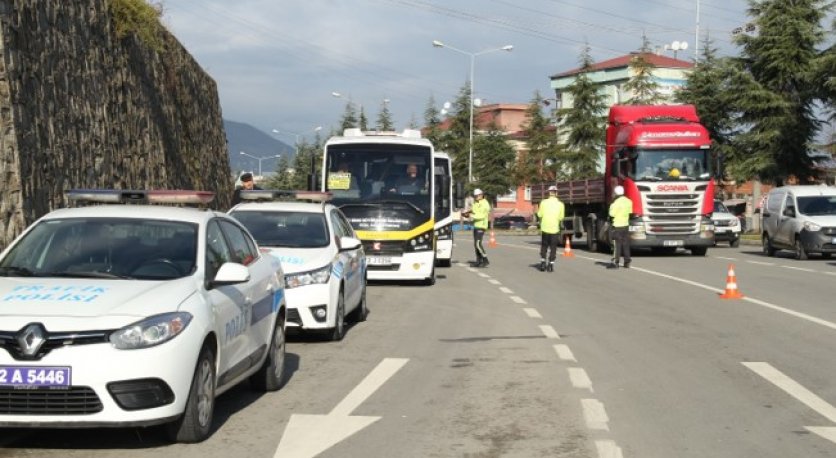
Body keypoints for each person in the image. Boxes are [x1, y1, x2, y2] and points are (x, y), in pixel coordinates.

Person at [536, 185, 565, 272]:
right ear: (556, 193)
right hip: (554, 229)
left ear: (549, 192)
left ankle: (542, 263)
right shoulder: (561, 204)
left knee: (544, 245)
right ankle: (551, 264)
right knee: (553, 247)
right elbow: (561, 217)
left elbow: (539, 215)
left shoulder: (543, 202)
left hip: (545, 228)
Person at [462, 188, 491, 267]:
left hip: (482, 226)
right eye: (475, 196)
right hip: (476, 226)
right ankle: (478, 261)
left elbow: (482, 216)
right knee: (476, 244)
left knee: (478, 244)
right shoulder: (476, 203)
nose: (476, 197)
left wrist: (470, 215)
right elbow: (473, 210)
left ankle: (485, 260)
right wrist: (467, 213)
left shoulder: (485, 203)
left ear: (481, 195)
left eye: (477, 196)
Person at [608, 185, 632, 269]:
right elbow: (630, 213)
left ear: (616, 193)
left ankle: (616, 262)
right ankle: (627, 262)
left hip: (617, 226)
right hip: (625, 225)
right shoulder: (628, 201)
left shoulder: (615, 203)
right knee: (625, 244)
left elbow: (611, 215)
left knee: (617, 245)